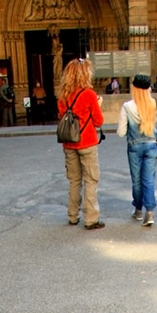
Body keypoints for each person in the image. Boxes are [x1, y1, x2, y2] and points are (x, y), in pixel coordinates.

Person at [57, 58, 105, 230]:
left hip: (69, 144)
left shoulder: (63, 97)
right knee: (91, 179)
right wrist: (98, 105)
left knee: (74, 180)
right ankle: (91, 218)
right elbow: (98, 121)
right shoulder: (89, 94)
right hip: (87, 142)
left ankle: (72, 215)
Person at [117, 74, 157, 227]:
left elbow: (121, 132)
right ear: (148, 88)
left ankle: (138, 210)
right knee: (149, 179)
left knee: (136, 181)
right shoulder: (153, 103)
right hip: (151, 144)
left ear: (134, 88)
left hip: (134, 147)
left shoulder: (127, 106)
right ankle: (150, 212)